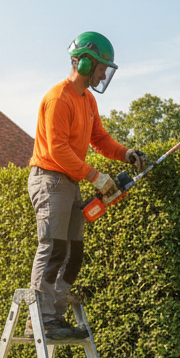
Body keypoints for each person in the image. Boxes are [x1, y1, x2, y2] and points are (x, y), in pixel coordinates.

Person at [26, 32, 147, 339]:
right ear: (84, 63)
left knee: (73, 252)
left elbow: (100, 138)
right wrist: (95, 176)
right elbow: (58, 150)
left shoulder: (87, 99)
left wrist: (126, 154)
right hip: (50, 180)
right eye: (102, 66)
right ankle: (39, 317)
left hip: (70, 181)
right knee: (53, 247)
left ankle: (56, 314)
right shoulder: (58, 98)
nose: (104, 73)